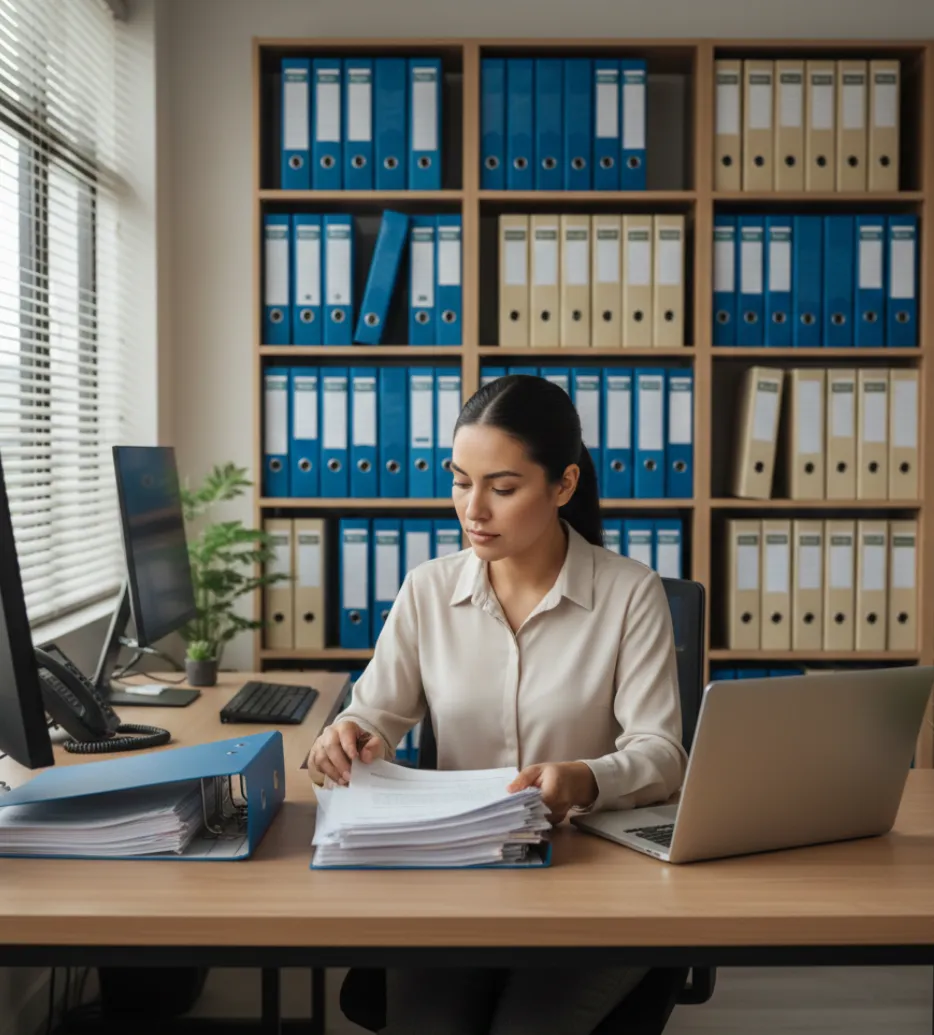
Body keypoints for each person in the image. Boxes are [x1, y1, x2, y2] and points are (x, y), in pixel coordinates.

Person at [310, 374, 688, 1035]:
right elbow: (373, 712)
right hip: (455, 881)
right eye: (460, 480)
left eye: (502, 487)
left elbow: (662, 753)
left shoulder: (631, 594)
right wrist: (345, 735)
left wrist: (586, 777)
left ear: (563, 485)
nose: (472, 508)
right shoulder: (428, 591)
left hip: (589, 882)